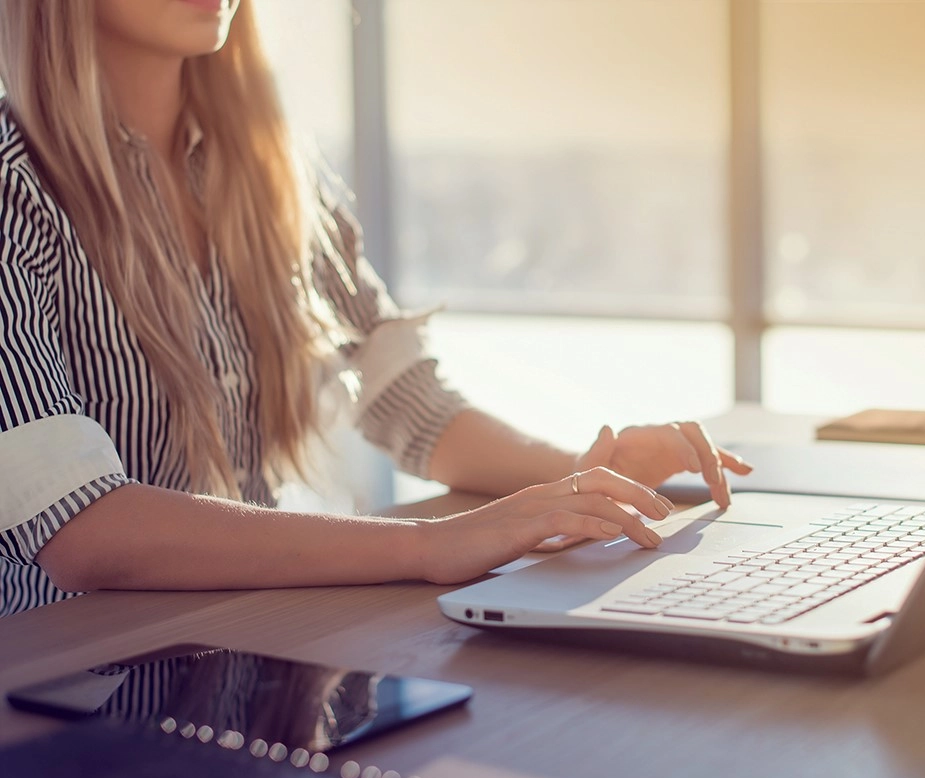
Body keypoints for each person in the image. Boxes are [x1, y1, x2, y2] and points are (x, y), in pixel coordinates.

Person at [0, 0, 751, 618]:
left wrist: (583, 480)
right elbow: (80, 525)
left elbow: (407, 401)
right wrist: (430, 545)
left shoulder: (266, 169)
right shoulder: (13, 182)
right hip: (64, 678)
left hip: (247, 641)